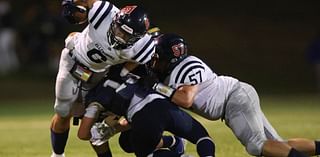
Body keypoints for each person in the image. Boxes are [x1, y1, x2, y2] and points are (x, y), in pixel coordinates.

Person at [144, 33, 320, 157]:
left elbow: (186, 99)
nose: (154, 61)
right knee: (278, 145)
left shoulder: (187, 66)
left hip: (234, 97)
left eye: (158, 57)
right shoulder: (170, 73)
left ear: (169, 57)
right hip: (235, 98)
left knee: (257, 145)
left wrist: (156, 86)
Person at [50, 0, 155, 156]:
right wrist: (74, 5)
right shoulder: (104, 12)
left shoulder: (143, 47)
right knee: (63, 110)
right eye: (120, 30)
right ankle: (57, 155)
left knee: (96, 121)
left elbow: (137, 61)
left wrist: (120, 74)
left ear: (138, 38)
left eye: (126, 35)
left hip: (98, 75)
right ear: (115, 20)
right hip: (73, 61)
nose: (120, 36)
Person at [78, 64, 216, 157]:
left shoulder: (96, 96)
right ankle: (179, 144)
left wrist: (109, 128)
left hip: (143, 117)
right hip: (165, 105)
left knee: (145, 154)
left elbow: (84, 134)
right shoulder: (122, 69)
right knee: (202, 137)